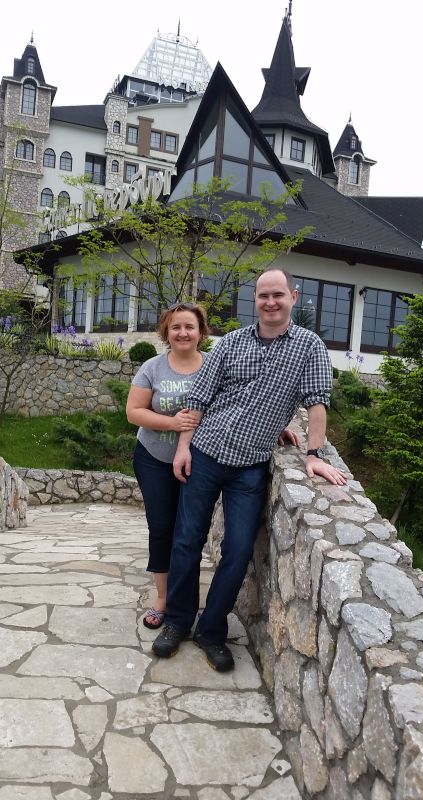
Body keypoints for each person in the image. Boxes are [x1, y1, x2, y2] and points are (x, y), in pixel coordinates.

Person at [153, 268, 347, 670]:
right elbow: (198, 399)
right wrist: (183, 448)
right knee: (186, 541)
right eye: (263, 296)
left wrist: (314, 454)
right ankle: (178, 621)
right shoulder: (231, 343)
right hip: (206, 453)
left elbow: (316, 402)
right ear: (254, 300)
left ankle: (211, 630)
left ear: (293, 296)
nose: (270, 302)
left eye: (278, 295)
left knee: (239, 550)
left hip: (250, 467)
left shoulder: (309, 347)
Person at [126, 302, 209, 630]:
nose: (182, 333)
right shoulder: (153, 367)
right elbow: (133, 411)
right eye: (176, 327)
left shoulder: (213, 366)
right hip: (154, 459)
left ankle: (184, 597)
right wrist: (173, 423)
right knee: (161, 528)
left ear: (201, 332)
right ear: (166, 332)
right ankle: (162, 598)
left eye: (189, 326)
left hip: (200, 461)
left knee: (189, 532)